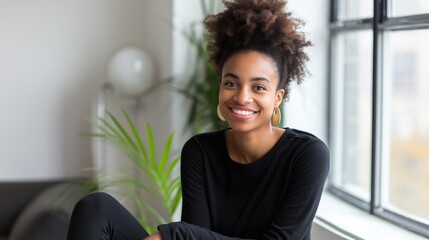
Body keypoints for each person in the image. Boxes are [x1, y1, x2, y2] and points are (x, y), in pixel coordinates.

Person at [67, 0, 330, 239]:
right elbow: (196, 236)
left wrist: (177, 235)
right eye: (231, 83)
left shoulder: (307, 155)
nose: (242, 97)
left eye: (258, 87)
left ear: (277, 97)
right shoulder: (200, 151)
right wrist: (181, 235)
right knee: (95, 207)